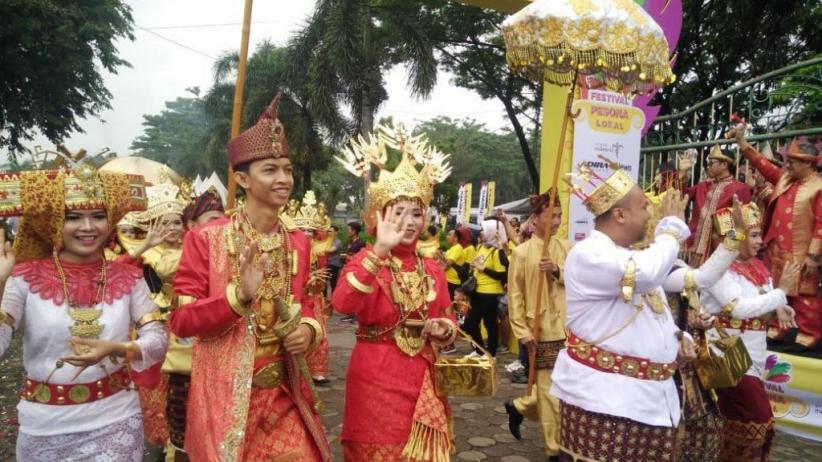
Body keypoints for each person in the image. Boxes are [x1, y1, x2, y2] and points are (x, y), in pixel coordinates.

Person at [169, 93, 331, 461]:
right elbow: (182, 320)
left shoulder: (299, 242)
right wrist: (237, 297)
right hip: (227, 396)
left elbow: (308, 304)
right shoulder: (205, 239)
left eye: (287, 169)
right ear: (242, 178)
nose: (284, 178)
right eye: (270, 170)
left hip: (284, 393)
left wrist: (308, 330)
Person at [0, 165, 167, 460]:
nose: (88, 227)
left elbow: (157, 338)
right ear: (53, 221)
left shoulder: (127, 277)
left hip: (116, 419)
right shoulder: (24, 277)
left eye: (98, 216)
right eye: (73, 217)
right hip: (45, 426)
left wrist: (119, 348)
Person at [551, 162, 697, 462]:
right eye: (645, 207)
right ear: (619, 214)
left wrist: (677, 338)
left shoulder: (630, 256)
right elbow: (645, 274)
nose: (651, 214)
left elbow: (654, 310)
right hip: (605, 403)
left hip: (650, 401)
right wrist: (670, 228)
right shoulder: (589, 254)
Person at [332, 124, 456, 461]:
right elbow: (342, 303)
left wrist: (443, 330)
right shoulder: (366, 259)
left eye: (416, 213)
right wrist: (378, 253)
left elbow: (447, 319)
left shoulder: (431, 267)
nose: (409, 221)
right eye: (398, 212)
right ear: (378, 216)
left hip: (421, 374)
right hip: (375, 373)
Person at [701, 201, 799, 461]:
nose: (760, 241)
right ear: (736, 236)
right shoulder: (717, 269)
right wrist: (781, 294)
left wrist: (780, 307)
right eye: (754, 235)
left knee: (740, 422)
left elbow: (763, 298)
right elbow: (740, 309)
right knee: (757, 419)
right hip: (721, 351)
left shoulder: (758, 267)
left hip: (753, 353)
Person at [734, 128, 822, 352]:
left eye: (793, 161)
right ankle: (778, 326)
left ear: (809, 164)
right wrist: (742, 142)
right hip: (775, 247)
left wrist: (814, 256)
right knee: (776, 288)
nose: (788, 165)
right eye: (788, 160)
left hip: (802, 251)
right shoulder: (784, 179)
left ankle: (809, 332)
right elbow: (762, 163)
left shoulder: (819, 186)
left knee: (804, 293)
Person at [503, 191, 569, 460]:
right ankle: (555, 450)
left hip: (568, 329)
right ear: (534, 218)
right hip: (539, 330)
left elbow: (577, 280)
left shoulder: (567, 248)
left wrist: (556, 271)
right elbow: (515, 296)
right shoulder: (521, 253)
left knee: (564, 391)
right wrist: (522, 331)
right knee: (549, 393)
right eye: (550, 215)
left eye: (559, 215)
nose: (555, 221)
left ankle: (519, 407)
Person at [679, 145, 751, 265]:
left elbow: (745, 227)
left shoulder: (740, 188)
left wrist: (730, 244)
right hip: (692, 250)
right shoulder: (702, 186)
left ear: (724, 165)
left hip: (719, 253)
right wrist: (681, 174)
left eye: (711, 163)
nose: (708, 167)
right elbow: (680, 197)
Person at [463, 218, 509, 357]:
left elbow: (503, 275)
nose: (480, 233)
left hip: (490, 293)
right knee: (470, 324)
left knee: (490, 324)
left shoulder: (497, 252)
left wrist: (483, 269)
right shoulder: (481, 247)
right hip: (476, 291)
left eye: (483, 230)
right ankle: (479, 350)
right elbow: (477, 264)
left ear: (491, 232)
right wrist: (474, 266)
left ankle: (491, 354)